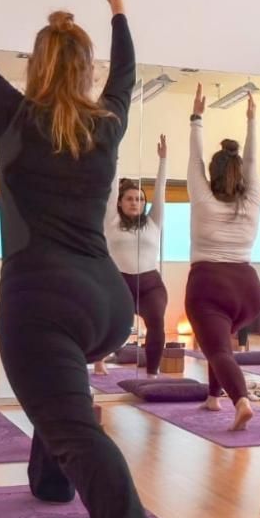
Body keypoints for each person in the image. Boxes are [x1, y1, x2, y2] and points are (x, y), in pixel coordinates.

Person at [0, 0, 165, 518]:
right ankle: (48, 480)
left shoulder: (12, 114)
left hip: (39, 298)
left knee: (72, 426)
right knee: (59, 395)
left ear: (37, 66)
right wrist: (119, 8)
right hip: (108, 304)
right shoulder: (106, 123)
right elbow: (126, 73)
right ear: (84, 69)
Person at [184, 83, 260, 431]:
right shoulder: (253, 200)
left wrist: (197, 118)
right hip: (249, 290)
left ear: (211, 175)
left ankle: (241, 401)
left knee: (218, 350)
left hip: (209, 284)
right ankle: (213, 397)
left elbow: (194, 160)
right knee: (218, 343)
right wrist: (251, 122)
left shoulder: (203, 199)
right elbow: (252, 160)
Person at [96, 134, 169, 377]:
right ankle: (99, 360)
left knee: (156, 321)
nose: (135, 202)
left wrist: (163, 161)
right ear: (119, 203)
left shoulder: (153, 222)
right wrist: (114, 157)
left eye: (139, 199)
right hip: (119, 283)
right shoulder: (113, 221)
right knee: (112, 325)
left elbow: (161, 192)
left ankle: (152, 373)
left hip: (150, 284)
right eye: (129, 199)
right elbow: (112, 185)